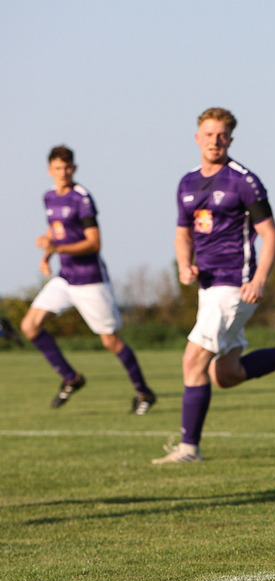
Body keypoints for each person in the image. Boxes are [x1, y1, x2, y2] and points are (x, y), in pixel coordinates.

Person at [154, 108, 275, 464]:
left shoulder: (243, 180)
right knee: (226, 374)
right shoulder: (187, 182)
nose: (214, 141)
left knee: (192, 360)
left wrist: (260, 278)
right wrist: (183, 264)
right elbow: (182, 233)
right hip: (208, 287)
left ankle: (189, 449)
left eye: (221, 135)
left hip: (235, 285)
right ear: (197, 138)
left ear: (231, 140)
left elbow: (269, 234)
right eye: (208, 134)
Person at [21, 145, 157, 413]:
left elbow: (94, 243)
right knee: (30, 326)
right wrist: (47, 254)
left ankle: (144, 393)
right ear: (50, 170)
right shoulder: (49, 197)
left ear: (74, 168)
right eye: (58, 168)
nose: (63, 172)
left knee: (110, 341)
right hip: (66, 278)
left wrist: (57, 248)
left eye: (67, 167)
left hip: (91, 280)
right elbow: (54, 230)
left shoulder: (82, 198)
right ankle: (71, 378)